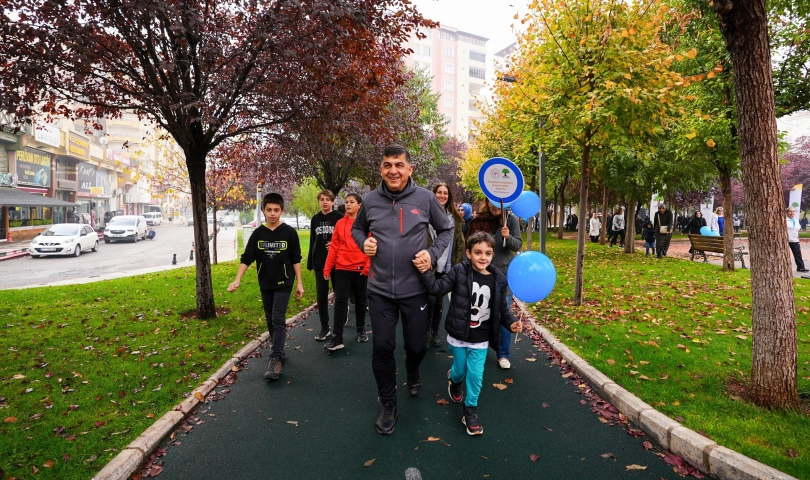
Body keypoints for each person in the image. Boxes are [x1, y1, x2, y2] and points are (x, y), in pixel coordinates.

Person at [351, 144, 452, 435]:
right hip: (380, 288)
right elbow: (357, 229)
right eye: (386, 165)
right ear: (380, 169)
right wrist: (363, 243)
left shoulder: (426, 198)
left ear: (410, 168)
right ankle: (389, 403)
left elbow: (445, 230)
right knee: (382, 346)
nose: (392, 170)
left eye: (398, 164)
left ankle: (413, 368)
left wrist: (432, 255)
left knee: (416, 346)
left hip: (416, 289)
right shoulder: (369, 200)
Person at [415, 231, 523, 436]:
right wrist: (424, 272)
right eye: (478, 252)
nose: (483, 257)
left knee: (475, 375)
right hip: (458, 335)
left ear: (492, 255)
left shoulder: (498, 279)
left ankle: (470, 411)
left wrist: (511, 324)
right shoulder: (459, 272)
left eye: (488, 253)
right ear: (468, 253)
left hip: (481, 339)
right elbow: (438, 288)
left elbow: (502, 310)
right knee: (459, 370)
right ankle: (454, 380)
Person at [228, 193, 304, 381]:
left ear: (282, 211)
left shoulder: (289, 233)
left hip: (284, 283)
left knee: (278, 318)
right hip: (265, 282)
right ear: (263, 210)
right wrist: (237, 280)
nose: (272, 214)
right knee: (270, 319)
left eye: (276, 210)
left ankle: (275, 357)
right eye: (269, 210)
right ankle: (278, 349)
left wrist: (300, 283)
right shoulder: (259, 233)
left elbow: (296, 259)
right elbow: (246, 258)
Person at [466, 198, 522, 369]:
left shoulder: (511, 219)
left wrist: (508, 236)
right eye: (492, 202)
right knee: (477, 313)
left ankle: (503, 354)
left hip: (503, 275)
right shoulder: (479, 220)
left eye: (499, 203)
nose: (495, 206)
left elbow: (517, 244)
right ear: (487, 202)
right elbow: (469, 246)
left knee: (503, 313)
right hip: (480, 275)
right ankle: (474, 347)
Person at [322, 194, 370, 350]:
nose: (348, 205)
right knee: (340, 302)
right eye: (347, 202)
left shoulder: (365, 224)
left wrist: (367, 267)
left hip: (360, 270)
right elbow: (334, 247)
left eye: (352, 202)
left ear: (359, 205)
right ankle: (337, 337)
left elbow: (371, 246)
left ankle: (361, 329)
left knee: (361, 301)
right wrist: (327, 267)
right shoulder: (340, 223)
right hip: (342, 269)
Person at [428, 183, 466, 347]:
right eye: (439, 192)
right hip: (428, 266)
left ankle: (434, 333)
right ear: (434, 194)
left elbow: (459, 244)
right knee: (426, 301)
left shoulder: (455, 219)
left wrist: (457, 267)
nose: (442, 195)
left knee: (438, 302)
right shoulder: (425, 215)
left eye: (445, 193)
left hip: (446, 267)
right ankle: (422, 333)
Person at [308, 189, 344, 341]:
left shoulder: (339, 218)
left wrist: (336, 246)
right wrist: (310, 260)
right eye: (322, 199)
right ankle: (324, 327)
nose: (324, 202)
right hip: (319, 261)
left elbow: (347, 239)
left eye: (327, 199)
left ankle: (338, 327)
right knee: (321, 295)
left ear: (333, 201)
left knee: (339, 294)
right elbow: (312, 240)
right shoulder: (315, 219)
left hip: (337, 261)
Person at [787, 207, 808, 273]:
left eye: (793, 211)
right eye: (790, 211)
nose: (792, 213)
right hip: (786, 240)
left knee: (797, 254)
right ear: (787, 212)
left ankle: (801, 267)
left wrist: (797, 235)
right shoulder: (784, 220)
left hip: (794, 240)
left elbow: (796, 229)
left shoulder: (796, 220)